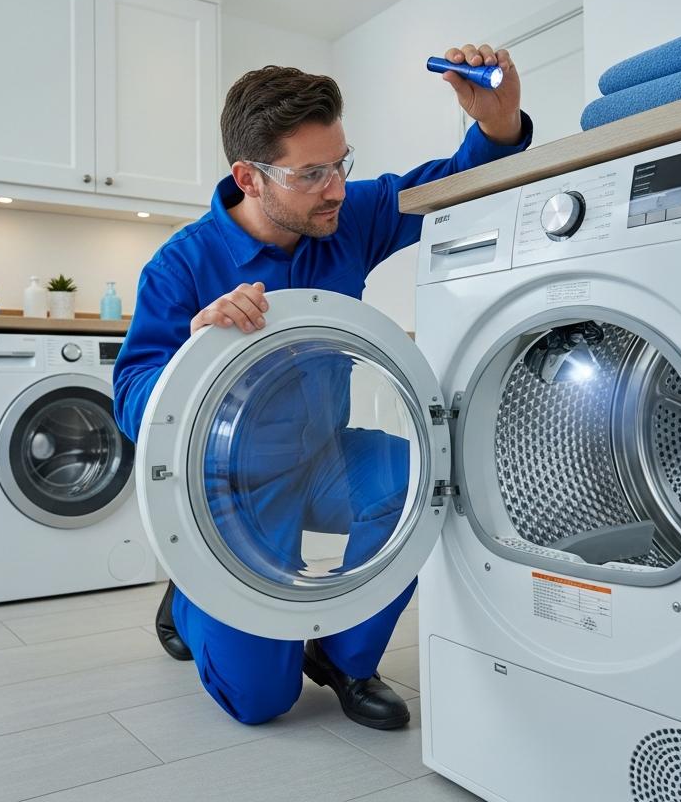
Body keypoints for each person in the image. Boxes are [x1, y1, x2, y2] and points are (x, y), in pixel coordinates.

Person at [113, 44, 532, 730]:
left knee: (428, 481)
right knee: (261, 704)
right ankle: (190, 596)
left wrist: (498, 124)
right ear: (249, 178)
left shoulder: (346, 219)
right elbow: (131, 398)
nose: (336, 186)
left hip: (328, 455)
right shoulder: (181, 266)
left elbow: (457, 183)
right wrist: (194, 351)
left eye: (342, 163)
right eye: (313, 173)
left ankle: (344, 657)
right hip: (234, 490)